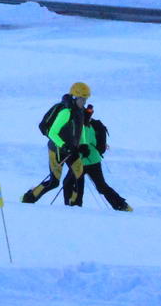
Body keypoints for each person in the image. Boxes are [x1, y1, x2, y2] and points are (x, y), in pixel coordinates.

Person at [24, 82, 131, 210]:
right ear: (75, 97)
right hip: (57, 150)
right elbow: (53, 132)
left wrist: (84, 145)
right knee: (54, 182)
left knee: (78, 175)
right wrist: (64, 146)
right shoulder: (65, 112)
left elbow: (81, 131)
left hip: (71, 150)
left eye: (85, 99)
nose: (84, 102)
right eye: (82, 99)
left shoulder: (80, 111)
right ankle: (28, 198)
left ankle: (74, 207)